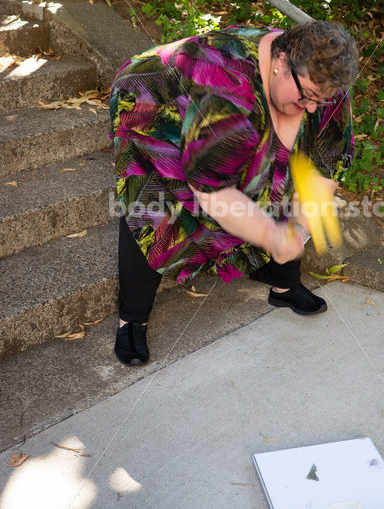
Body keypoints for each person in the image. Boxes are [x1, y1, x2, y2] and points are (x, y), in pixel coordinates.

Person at [109, 20, 358, 366]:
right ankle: (132, 318)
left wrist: (298, 231)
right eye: (308, 97)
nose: (314, 107)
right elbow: (212, 191)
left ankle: (281, 281)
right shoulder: (225, 86)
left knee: (283, 168)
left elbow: (326, 166)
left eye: (323, 98)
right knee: (155, 203)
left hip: (230, 105)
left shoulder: (321, 80)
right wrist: (272, 235)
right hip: (152, 102)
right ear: (281, 63)